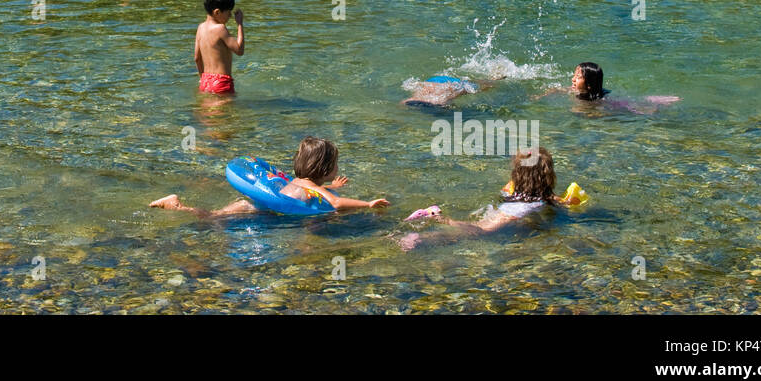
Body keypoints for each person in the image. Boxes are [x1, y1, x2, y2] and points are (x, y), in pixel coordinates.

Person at [149, 137, 389, 216]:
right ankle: (177, 206)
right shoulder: (318, 190)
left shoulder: (299, 181)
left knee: (216, 216)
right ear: (325, 170)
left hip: (258, 200)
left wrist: (333, 185)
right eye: (335, 165)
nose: (337, 169)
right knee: (214, 218)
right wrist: (367, 204)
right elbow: (335, 203)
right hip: (260, 210)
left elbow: (325, 192)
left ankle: (178, 205)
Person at [397, 147, 568, 249]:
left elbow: (507, 189)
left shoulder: (512, 190)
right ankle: (435, 223)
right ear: (547, 175)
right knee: (479, 231)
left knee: (474, 228)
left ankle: (430, 223)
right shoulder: (543, 198)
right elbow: (554, 201)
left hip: (503, 207)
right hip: (514, 212)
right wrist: (568, 203)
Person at [536, 62, 679, 112]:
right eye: (574, 75)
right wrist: (541, 96)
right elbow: (557, 89)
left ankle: (654, 103)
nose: (572, 79)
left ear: (589, 85)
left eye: (578, 77)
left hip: (610, 101)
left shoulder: (598, 101)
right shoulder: (574, 89)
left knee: (633, 107)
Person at [195, 0, 244, 94]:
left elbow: (197, 58)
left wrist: (202, 78)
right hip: (222, 82)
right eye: (228, 12)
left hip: (205, 81)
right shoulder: (220, 28)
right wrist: (240, 24)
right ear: (217, 12)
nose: (230, 16)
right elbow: (239, 50)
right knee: (227, 110)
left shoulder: (200, 28)